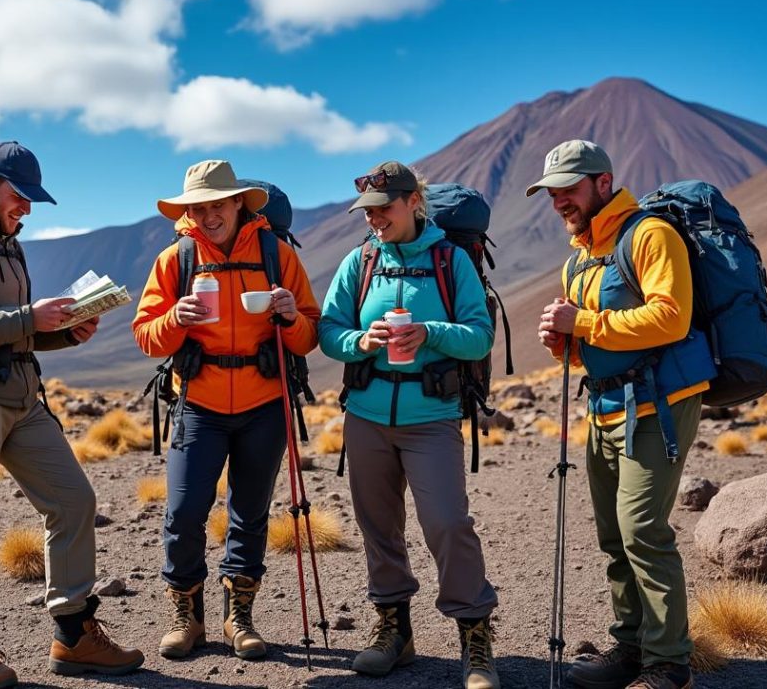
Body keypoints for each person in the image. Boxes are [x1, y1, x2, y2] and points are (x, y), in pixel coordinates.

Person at [0, 141, 143, 686]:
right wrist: (26, 316)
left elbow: (15, 332)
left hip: (19, 395)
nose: (27, 209)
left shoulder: (9, 243)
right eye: (20, 196)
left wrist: (63, 332)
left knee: (74, 500)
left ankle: (74, 635)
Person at [532, 140, 712, 689]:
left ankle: (668, 663)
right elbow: (593, 340)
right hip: (605, 406)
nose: (560, 200)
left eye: (570, 189)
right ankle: (630, 648)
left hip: (660, 403)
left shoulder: (651, 234)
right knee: (614, 536)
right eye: (552, 192)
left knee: (643, 530)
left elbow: (670, 318)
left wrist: (581, 323)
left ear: (603, 183)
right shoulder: (579, 259)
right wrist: (563, 343)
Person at [318, 161, 499, 688]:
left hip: (431, 418)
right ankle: (394, 629)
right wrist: (361, 341)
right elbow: (330, 330)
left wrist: (429, 331)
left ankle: (475, 638)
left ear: (413, 202)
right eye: (368, 212)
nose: (375, 220)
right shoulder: (361, 260)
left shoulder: (451, 261)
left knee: (447, 523)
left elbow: (479, 336)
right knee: (378, 526)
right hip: (366, 416)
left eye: (384, 209)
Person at [132, 160, 320, 661]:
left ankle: (240, 617)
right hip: (200, 402)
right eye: (199, 206)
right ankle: (187, 616)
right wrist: (176, 318)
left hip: (263, 402)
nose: (208, 214)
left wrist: (288, 316)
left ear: (239, 202)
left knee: (250, 513)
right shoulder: (177, 258)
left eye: (218, 203)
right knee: (183, 513)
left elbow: (310, 333)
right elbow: (147, 337)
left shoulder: (276, 256)